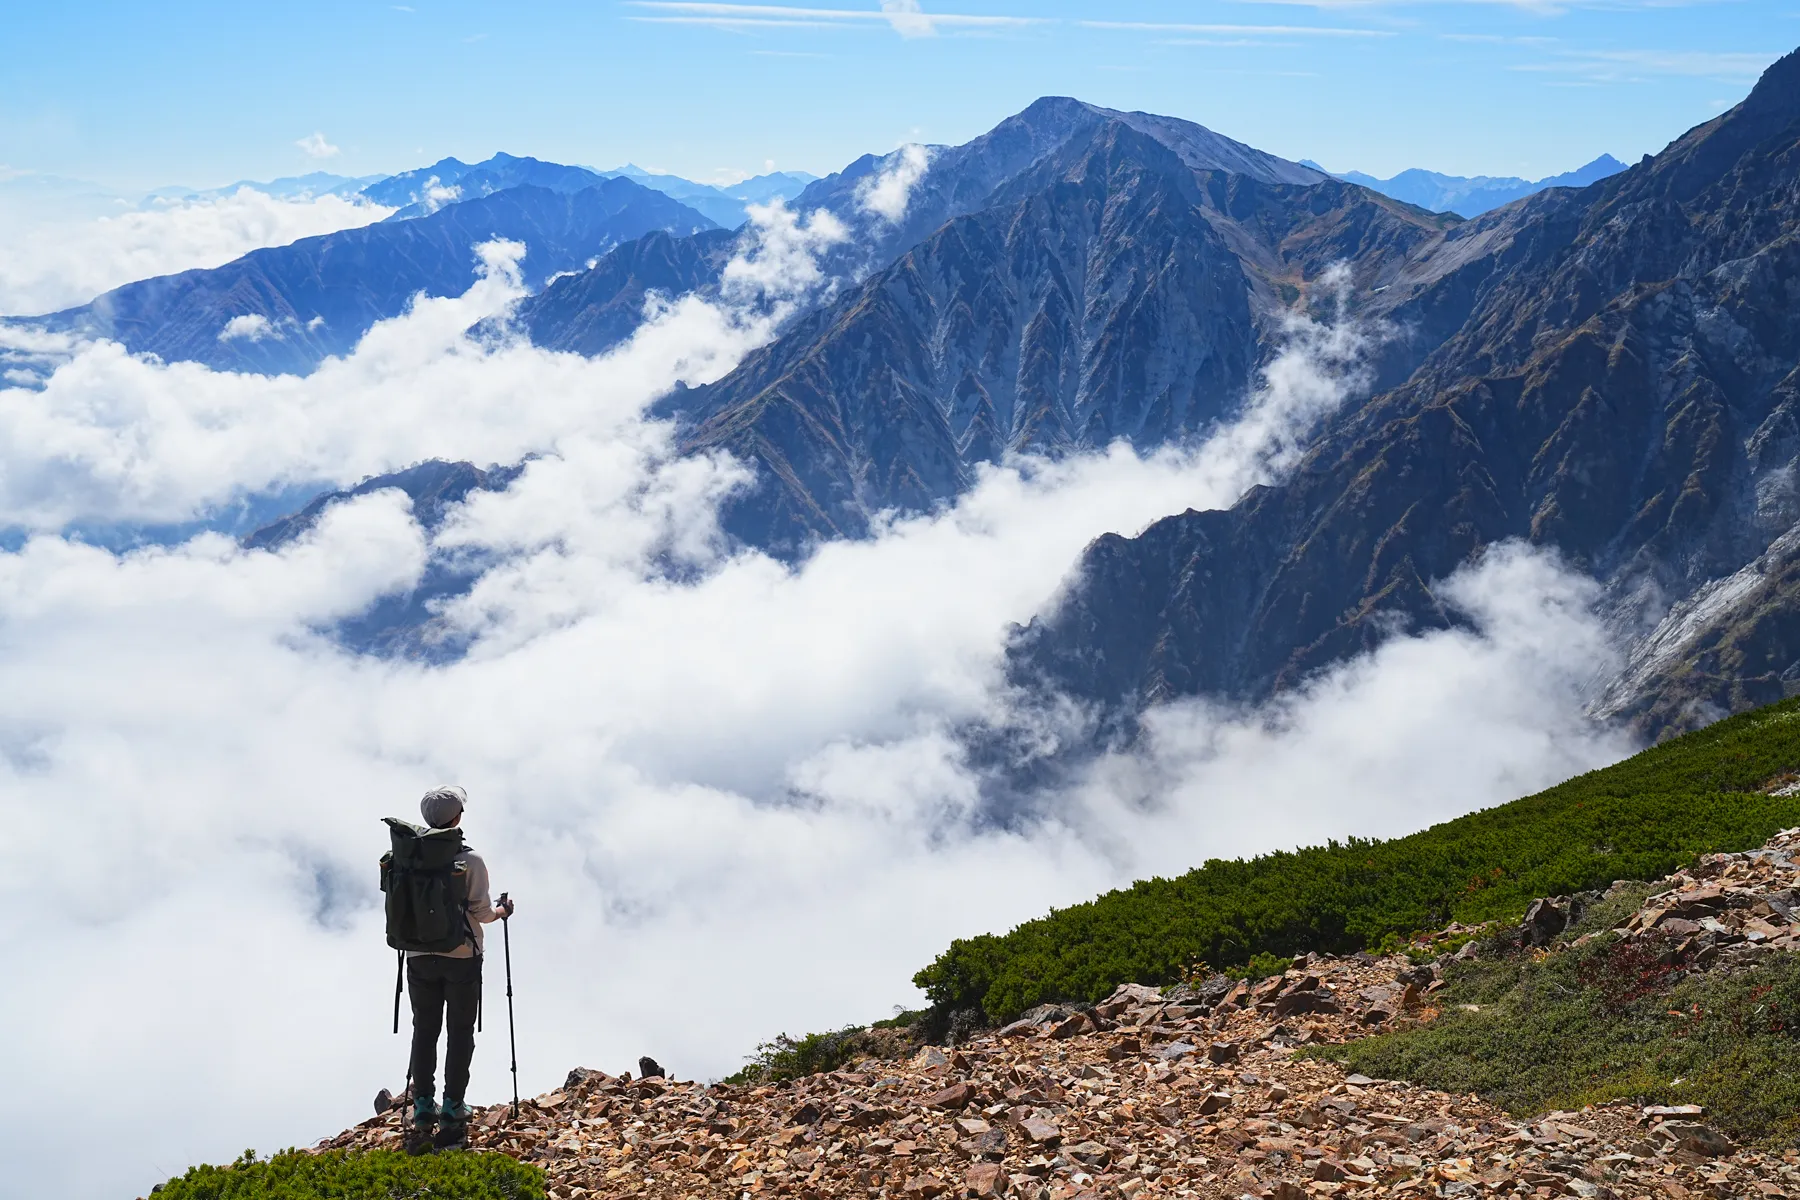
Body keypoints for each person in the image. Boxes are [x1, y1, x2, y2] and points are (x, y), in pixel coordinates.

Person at [406, 785, 514, 1151]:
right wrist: (502, 911)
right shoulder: (471, 861)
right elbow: (482, 913)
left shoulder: (405, 856)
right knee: (460, 1031)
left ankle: (422, 1106)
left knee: (424, 1029)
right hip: (462, 957)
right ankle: (452, 1106)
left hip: (418, 956)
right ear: (457, 818)